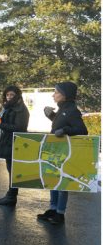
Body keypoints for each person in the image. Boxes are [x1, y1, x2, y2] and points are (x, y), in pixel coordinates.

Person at [37, 81, 88, 225]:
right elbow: (62, 122)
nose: (53, 95)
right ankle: (53, 209)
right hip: (56, 152)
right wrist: (52, 116)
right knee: (53, 181)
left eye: (56, 92)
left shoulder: (72, 110)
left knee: (61, 184)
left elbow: (82, 130)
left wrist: (65, 131)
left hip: (64, 153)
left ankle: (60, 213)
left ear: (65, 95)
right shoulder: (63, 109)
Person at [0, 85, 30, 206]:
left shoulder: (20, 109)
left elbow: (20, 128)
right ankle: (11, 195)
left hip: (15, 143)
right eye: (7, 95)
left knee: (13, 170)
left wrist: (1, 124)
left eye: (12, 95)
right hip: (8, 142)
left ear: (17, 95)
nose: (9, 97)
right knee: (10, 169)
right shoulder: (8, 107)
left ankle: (12, 196)